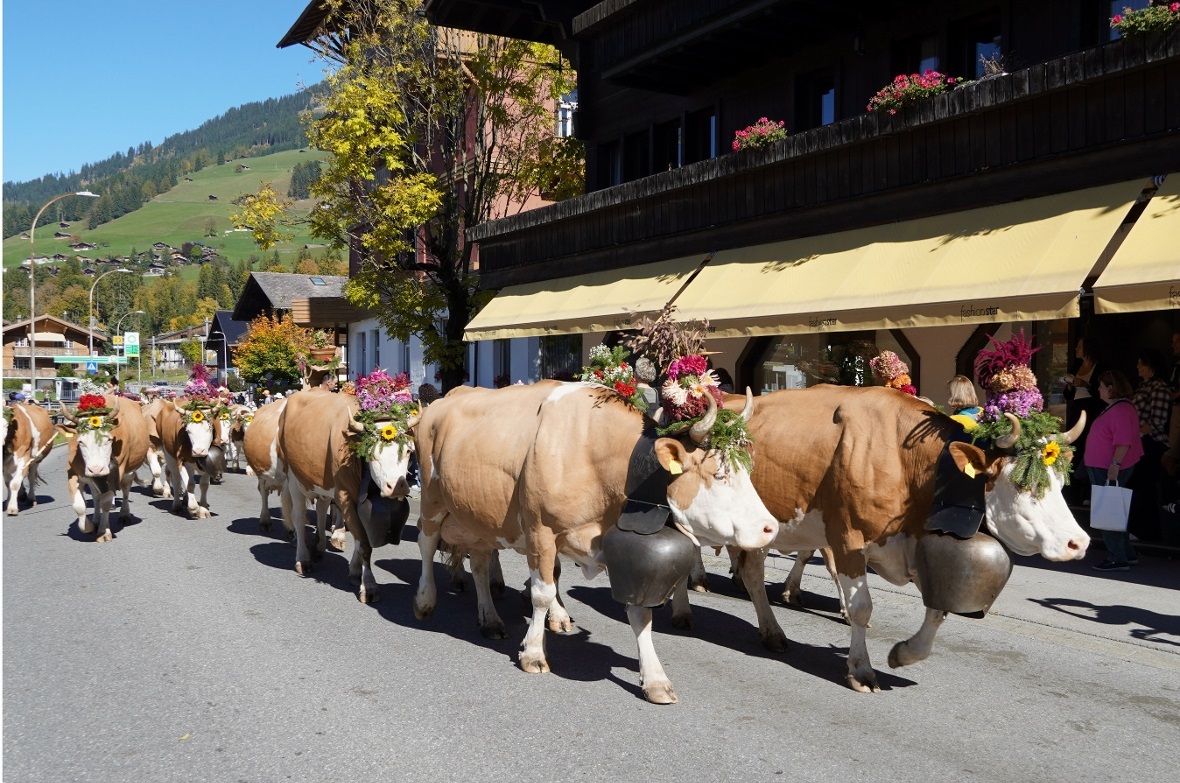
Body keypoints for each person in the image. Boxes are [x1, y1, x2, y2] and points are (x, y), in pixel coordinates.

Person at [1084, 370, 1143, 571]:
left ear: (1111, 388)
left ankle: (1117, 557)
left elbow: (1123, 442)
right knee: (1113, 511)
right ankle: (1126, 554)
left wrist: (1115, 466)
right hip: (1104, 466)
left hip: (1107, 467)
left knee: (1107, 512)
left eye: (1101, 386)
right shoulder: (1118, 408)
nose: (1098, 390)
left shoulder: (1120, 410)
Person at [1129, 348, 1171, 537]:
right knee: (1137, 487)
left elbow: (1158, 421)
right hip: (1139, 442)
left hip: (1151, 444)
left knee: (1144, 489)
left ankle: (1147, 532)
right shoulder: (1143, 386)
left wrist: (1136, 433)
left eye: (1141, 363)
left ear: (1150, 365)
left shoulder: (1159, 387)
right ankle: (1138, 530)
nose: (1137, 366)